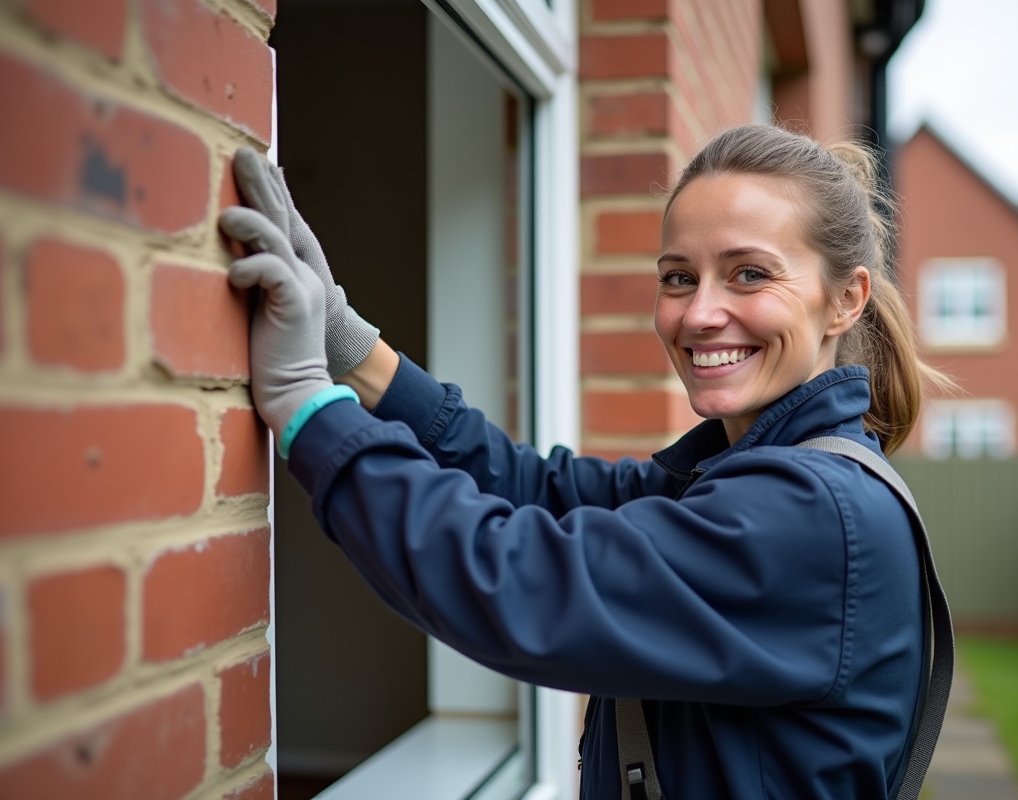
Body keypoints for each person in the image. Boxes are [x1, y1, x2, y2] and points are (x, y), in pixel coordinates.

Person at [219, 124, 951, 800]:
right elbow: (539, 490)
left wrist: (308, 409)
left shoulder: (809, 514)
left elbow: (516, 583)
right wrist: (352, 349)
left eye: (750, 275)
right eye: (677, 277)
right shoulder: (746, 478)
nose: (699, 313)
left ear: (844, 299)